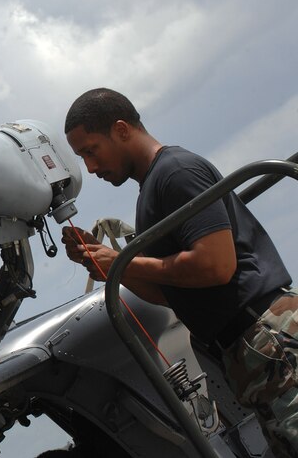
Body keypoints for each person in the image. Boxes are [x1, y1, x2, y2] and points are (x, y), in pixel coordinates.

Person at [61, 87, 298, 457]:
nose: (91, 167)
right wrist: (107, 267)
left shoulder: (175, 173)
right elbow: (168, 291)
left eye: (91, 150)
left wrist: (120, 262)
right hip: (248, 349)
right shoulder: (152, 189)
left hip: (266, 338)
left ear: (121, 129)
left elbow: (214, 265)